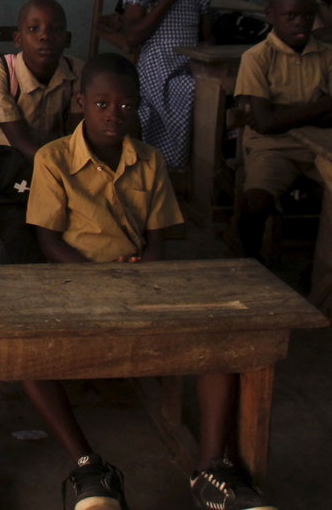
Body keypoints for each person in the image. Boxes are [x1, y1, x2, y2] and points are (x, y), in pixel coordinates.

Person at [24, 53, 273, 510]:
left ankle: (212, 468)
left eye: (125, 105)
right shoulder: (52, 159)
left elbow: (158, 238)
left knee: (220, 341)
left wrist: (145, 272)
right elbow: (48, 242)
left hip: (140, 282)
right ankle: (88, 466)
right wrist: (98, 278)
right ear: (80, 102)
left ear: (138, 106)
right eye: (101, 103)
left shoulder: (150, 160)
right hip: (74, 283)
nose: (113, 115)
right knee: (21, 358)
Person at [234, 0, 332, 314]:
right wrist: (319, 106)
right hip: (271, 146)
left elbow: (276, 116)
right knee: (255, 200)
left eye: (308, 16)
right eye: (291, 16)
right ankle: (248, 259)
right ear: (271, 15)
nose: (301, 24)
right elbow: (264, 123)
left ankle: (319, 274)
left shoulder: (327, 55)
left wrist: (284, 113)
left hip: (320, 146)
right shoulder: (257, 58)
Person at [121, 0, 210, 170]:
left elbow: (207, 36)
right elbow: (132, 37)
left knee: (210, 87)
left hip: (190, 61)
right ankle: (173, 162)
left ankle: (201, 160)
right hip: (157, 64)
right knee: (188, 89)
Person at [0, 0, 83, 159]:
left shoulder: (78, 71)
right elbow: (18, 142)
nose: (45, 36)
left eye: (56, 29)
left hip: (51, 156)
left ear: (67, 39)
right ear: (18, 39)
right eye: (33, 29)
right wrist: (55, 167)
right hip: (1, 159)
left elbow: (77, 134)